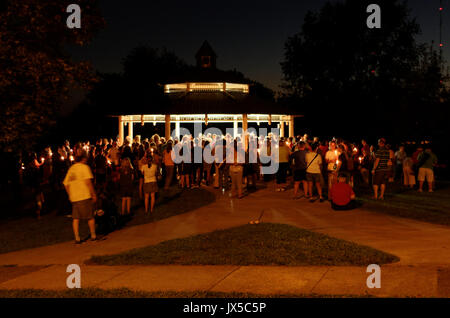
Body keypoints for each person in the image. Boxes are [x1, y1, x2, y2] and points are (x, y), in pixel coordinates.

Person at [63, 149, 97, 244]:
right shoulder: (84, 168)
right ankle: (93, 235)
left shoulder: (71, 169)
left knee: (76, 218)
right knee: (90, 216)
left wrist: (70, 194)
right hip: (84, 195)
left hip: (74, 197)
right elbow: (88, 182)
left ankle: (77, 237)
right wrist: (93, 194)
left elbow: (66, 183)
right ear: (84, 158)